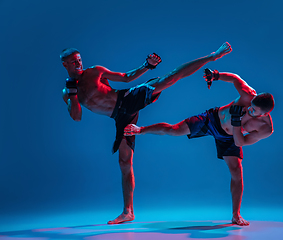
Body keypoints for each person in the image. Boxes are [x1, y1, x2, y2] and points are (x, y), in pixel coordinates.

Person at [61, 42, 232, 224]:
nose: (78, 64)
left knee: (169, 78)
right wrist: (72, 93)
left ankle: (212, 56)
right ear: (65, 65)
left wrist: (146, 66)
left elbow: (126, 78)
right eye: (73, 62)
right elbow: (77, 116)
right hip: (120, 117)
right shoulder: (68, 92)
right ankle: (128, 212)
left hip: (127, 99)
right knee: (124, 162)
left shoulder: (94, 72)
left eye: (79, 60)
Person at [124, 68, 275, 226]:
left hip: (230, 138)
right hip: (211, 120)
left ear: (264, 114)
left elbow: (240, 142)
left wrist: (236, 121)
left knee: (237, 171)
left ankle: (236, 215)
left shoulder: (265, 129)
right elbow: (235, 78)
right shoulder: (248, 95)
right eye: (251, 105)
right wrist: (216, 75)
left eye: (254, 110)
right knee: (174, 130)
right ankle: (140, 129)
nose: (249, 109)